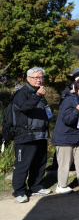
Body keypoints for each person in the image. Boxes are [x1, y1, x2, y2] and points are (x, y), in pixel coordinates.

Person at [11, 67, 52, 203]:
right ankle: (19, 191)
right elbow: (24, 108)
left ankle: (36, 186)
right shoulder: (21, 93)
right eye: (36, 77)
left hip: (40, 134)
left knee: (39, 163)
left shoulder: (39, 92)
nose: (39, 80)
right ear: (28, 78)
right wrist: (37, 96)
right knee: (23, 164)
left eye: (41, 77)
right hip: (25, 135)